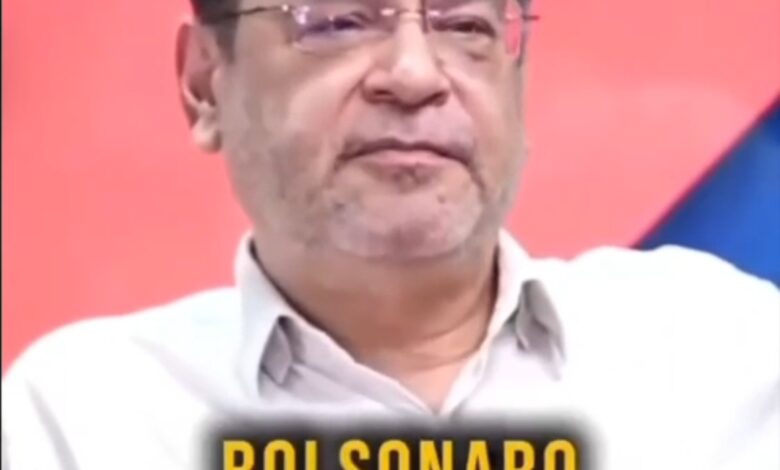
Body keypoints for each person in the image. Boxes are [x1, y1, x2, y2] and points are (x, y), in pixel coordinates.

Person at [2, 0, 778, 468]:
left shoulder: (724, 352)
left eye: (465, 24)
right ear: (205, 81)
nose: (415, 74)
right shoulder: (85, 417)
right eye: (338, 21)